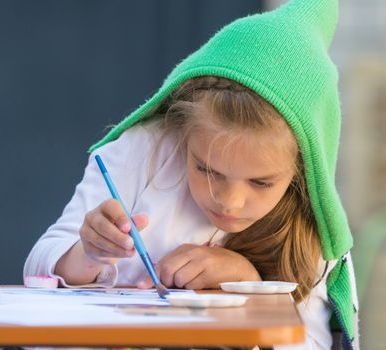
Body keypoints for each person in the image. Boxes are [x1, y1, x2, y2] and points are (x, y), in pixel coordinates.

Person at [24, 0, 359, 348]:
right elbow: (38, 264)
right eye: (207, 169)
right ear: (183, 131)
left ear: (302, 169)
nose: (230, 201)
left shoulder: (311, 220)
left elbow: (314, 343)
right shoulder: (141, 152)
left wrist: (249, 283)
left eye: (261, 182)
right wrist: (87, 253)